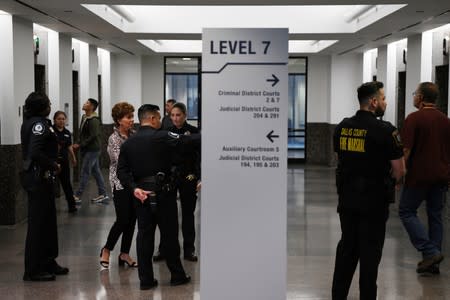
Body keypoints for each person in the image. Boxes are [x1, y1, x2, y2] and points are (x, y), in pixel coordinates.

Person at [331, 81, 405, 300]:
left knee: (347, 250)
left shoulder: (342, 127)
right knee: (370, 255)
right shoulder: (386, 131)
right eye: (382, 98)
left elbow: (340, 160)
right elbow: (399, 170)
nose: (385, 102)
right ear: (373, 102)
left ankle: (338, 295)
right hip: (373, 203)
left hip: (347, 201)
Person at [117, 104, 195, 290]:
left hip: (141, 196)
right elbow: (187, 142)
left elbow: (122, 171)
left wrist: (134, 188)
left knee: (144, 237)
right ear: (152, 119)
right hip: (164, 193)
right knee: (169, 235)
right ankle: (176, 275)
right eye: (159, 118)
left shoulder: (129, 143)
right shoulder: (162, 137)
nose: (161, 122)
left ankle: (146, 280)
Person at [398, 82, 450, 275]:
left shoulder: (413, 119)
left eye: (414, 94)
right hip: (441, 177)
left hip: (419, 177)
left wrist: (399, 174)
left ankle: (430, 251)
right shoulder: (446, 120)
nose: (413, 97)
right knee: (436, 216)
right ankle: (433, 263)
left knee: (406, 211)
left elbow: (406, 150)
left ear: (420, 98)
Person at [20, 92, 69, 281]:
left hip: (43, 179)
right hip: (38, 179)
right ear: (42, 107)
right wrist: (53, 164)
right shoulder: (38, 124)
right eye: (48, 104)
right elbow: (34, 151)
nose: (50, 106)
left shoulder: (34, 121)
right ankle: (32, 270)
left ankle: (48, 261)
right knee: (38, 225)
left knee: (48, 223)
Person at [154, 103, 200, 262]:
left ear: (185, 115)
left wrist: (199, 177)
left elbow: (199, 157)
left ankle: (189, 250)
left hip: (188, 176)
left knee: (188, 214)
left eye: (178, 115)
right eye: (172, 115)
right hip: (169, 177)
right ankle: (164, 249)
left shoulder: (194, 132)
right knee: (167, 215)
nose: (175, 118)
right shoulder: (165, 132)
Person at [100, 102, 138, 269]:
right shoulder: (113, 139)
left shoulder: (134, 135)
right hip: (120, 184)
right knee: (122, 220)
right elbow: (120, 160)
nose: (132, 120)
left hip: (135, 184)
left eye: (132, 116)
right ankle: (107, 249)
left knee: (132, 220)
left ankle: (124, 253)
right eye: (128, 117)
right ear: (118, 120)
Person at [72, 98, 108, 203]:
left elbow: (93, 135)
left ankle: (77, 195)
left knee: (85, 172)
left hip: (93, 150)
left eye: (87, 103)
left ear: (92, 107)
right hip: (87, 149)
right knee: (96, 172)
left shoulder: (94, 120)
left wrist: (80, 144)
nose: (84, 103)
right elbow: (82, 132)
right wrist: (79, 141)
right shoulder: (84, 117)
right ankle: (103, 194)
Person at [53, 111, 77, 213]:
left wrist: (73, 157)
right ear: (54, 120)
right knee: (51, 185)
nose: (61, 121)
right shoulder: (51, 131)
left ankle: (72, 206)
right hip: (53, 162)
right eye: (59, 119)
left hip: (64, 162)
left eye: (63, 119)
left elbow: (69, 146)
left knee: (67, 184)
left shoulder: (67, 133)